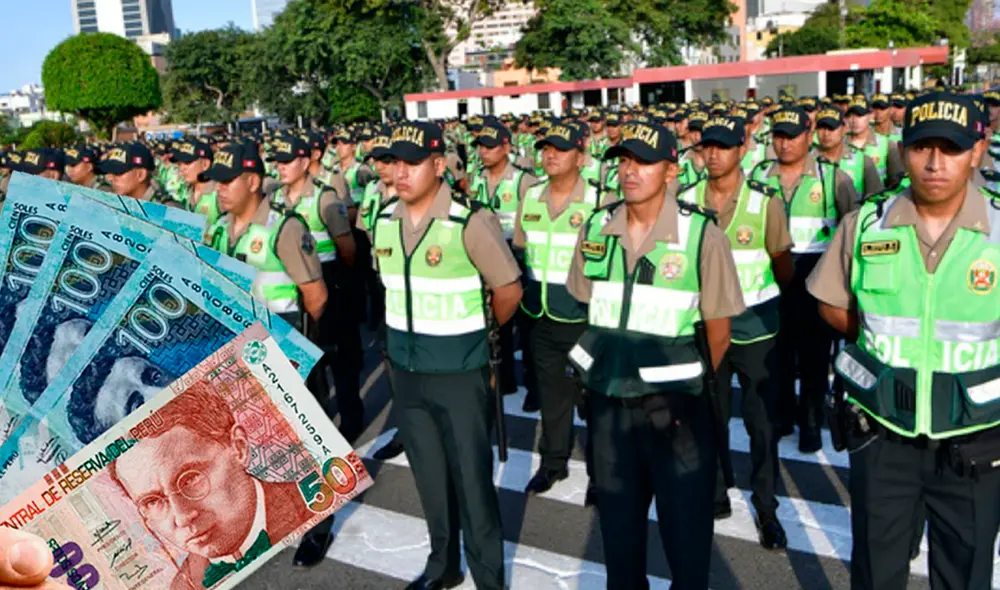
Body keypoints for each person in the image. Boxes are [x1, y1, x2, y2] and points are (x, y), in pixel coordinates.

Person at [808, 91, 1000, 590]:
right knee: (875, 571)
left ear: (977, 151)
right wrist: (876, 338)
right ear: (904, 150)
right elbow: (832, 302)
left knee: (966, 574)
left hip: (974, 437)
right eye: (921, 147)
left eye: (952, 148)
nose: (935, 162)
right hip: (883, 431)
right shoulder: (866, 223)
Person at [565, 120, 745, 589]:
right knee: (620, 545)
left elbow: (719, 332)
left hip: (676, 413)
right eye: (623, 161)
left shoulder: (701, 235)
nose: (630, 171)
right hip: (608, 409)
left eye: (643, 162)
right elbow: (588, 304)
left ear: (670, 169)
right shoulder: (596, 228)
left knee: (686, 544)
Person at [373, 121, 522, 590]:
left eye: (412, 163)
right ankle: (443, 565)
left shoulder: (468, 221)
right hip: (408, 372)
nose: (400, 173)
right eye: (394, 162)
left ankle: (488, 577)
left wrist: (480, 339)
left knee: (473, 484)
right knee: (430, 479)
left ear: (438, 166)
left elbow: (508, 290)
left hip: (459, 372)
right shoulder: (383, 220)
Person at [678, 116, 793, 549]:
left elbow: (782, 262)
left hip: (756, 326)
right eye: (707, 146)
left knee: (762, 424)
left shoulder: (765, 202)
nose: (713, 154)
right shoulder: (685, 199)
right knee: (710, 415)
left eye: (723, 146)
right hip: (705, 326)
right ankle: (716, 493)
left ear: (742, 150)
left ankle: (766, 507)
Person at [109, 382, 317, 590]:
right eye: (153, 501)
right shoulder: (182, 586)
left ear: (239, 448)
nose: (183, 517)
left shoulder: (318, 503)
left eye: (190, 479)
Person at [749, 106, 858, 452]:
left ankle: (811, 423)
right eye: (778, 136)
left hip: (815, 280)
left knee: (813, 357)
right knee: (777, 355)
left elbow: (851, 228)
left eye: (792, 136)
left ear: (808, 137)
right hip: (771, 278)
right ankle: (782, 415)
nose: (784, 144)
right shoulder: (759, 175)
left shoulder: (832, 178)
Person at [514, 122, 598, 504]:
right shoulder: (530, 196)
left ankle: (602, 471)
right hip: (540, 313)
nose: (550, 155)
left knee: (594, 398)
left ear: (581, 157)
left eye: (560, 149)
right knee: (551, 394)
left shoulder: (599, 199)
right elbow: (521, 248)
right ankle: (553, 462)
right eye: (546, 148)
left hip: (585, 318)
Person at [469, 120, 536, 398]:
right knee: (499, 324)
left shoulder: (523, 180)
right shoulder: (477, 177)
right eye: (481, 147)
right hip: (489, 255)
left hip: (519, 254)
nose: (484, 152)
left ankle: (534, 388)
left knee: (528, 326)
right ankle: (505, 379)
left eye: (491, 147)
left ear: (506, 147)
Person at [814, 107, 885, 199]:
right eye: (821, 128)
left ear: (844, 129)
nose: (826, 134)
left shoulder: (862, 160)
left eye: (831, 128)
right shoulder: (806, 160)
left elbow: (876, 199)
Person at [844, 95, 905, 188]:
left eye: (859, 115)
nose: (854, 120)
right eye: (850, 116)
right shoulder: (839, 145)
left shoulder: (886, 144)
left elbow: (896, 182)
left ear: (870, 116)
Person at [102, 142, 182, 206]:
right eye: (110, 172)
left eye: (118, 172)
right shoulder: (118, 204)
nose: (110, 178)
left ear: (141, 175)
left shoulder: (167, 210)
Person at [171, 139, 223, 226]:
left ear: (205, 164)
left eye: (187, 163)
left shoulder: (219, 193)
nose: (182, 168)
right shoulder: (186, 191)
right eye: (180, 164)